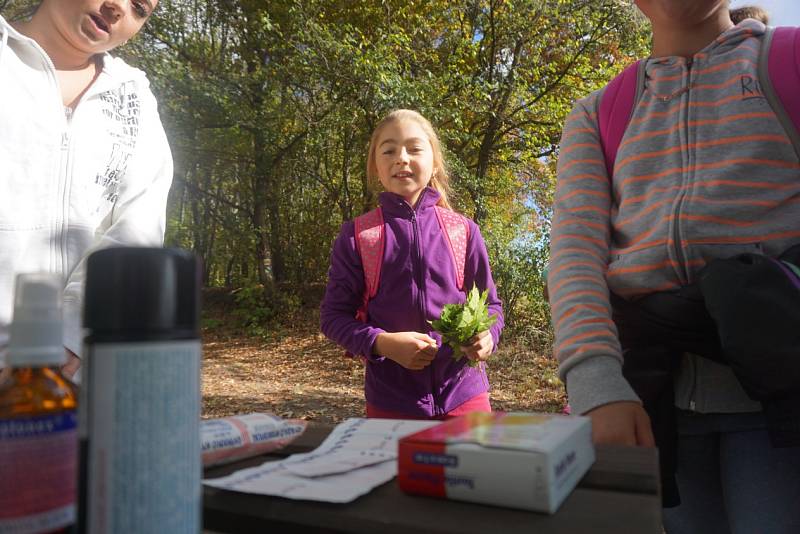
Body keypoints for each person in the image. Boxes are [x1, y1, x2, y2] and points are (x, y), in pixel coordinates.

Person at [549, 1, 800, 532]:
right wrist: (595, 384)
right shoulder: (598, 112)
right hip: (652, 411)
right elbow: (575, 250)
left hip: (782, 406)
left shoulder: (790, 62)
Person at [0, 0, 172, 380]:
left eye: (139, 8)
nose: (117, 8)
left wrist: (68, 334)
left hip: (75, 377)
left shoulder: (135, 97)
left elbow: (137, 227)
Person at [320, 109, 504, 420]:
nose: (402, 158)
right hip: (390, 404)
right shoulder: (359, 236)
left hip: (465, 398)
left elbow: (492, 306)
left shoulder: (464, 231)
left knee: (471, 471)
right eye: (389, 150)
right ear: (376, 166)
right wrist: (382, 343)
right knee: (401, 472)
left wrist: (487, 337)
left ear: (434, 162)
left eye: (414, 149)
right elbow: (333, 317)